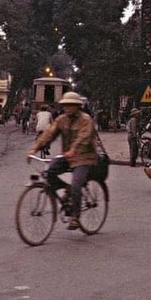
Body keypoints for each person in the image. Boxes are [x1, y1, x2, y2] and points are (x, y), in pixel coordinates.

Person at [28, 92, 99, 231]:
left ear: (77, 106)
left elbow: (84, 137)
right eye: (65, 105)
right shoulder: (61, 120)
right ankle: (67, 189)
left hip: (85, 157)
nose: (67, 107)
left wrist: (74, 149)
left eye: (70, 105)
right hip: (67, 156)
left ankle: (75, 217)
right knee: (48, 172)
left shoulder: (86, 119)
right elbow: (49, 134)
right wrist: (34, 149)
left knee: (76, 184)